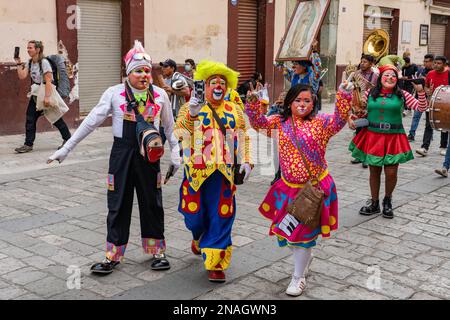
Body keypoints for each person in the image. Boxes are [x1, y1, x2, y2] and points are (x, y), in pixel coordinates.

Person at [47, 41, 181, 274]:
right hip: (122, 154)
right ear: (128, 73)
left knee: (152, 203)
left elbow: (169, 128)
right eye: (138, 70)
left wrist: (176, 155)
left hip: (150, 156)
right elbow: (90, 122)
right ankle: (113, 255)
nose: (143, 75)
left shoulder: (160, 95)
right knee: (117, 204)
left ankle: (157, 250)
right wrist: (66, 148)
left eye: (147, 70)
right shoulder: (114, 94)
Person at [245, 82, 353, 297]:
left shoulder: (321, 123)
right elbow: (258, 123)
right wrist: (253, 102)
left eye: (307, 100)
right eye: (298, 100)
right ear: (289, 102)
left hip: (312, 191)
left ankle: (298, 276)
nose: (302, 104)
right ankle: (303, 260)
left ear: (313, 103)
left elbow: (340, 120)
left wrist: (344, 94)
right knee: (290, 235)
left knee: (302, 237)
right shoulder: (279, 122)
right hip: (288, 189)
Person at [174, 60, 253, 283]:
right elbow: (179, 133)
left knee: (222, 216)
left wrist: (247, 160)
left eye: (222, 82)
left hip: (224, 176)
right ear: (204, 86)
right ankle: (198, 236)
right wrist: (192, 113)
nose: (218, 86)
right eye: (212, 82)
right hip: (196, 175)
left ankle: (216, 262)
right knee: (194, 217)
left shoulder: (235, 109)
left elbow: (244, 135)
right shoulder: (190, 107)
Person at [349, 65, 428, 219]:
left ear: (396, 79)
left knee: (391, 172)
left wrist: (420, 91)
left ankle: (387, 200)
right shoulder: (369, 93)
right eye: (386, 75)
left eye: (393, 75)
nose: (390, 78)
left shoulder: (402, 94)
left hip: (394, 137)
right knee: (374, 171)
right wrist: (353, 118)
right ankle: (374, 203)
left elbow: (421, 108)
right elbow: (360, 111)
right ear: (380, 78)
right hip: (373, 136)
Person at [14, 40, 71, 153]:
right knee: (30, 118)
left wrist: (47, 97)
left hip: (46, 93)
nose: (28, 50)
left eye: (30, 48)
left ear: (38, 50)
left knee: (56, 119)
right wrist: (18, 63)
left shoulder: (44, 63)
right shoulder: (30, 62)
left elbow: (49, 81)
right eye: (28, 47)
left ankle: (68, 140)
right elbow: (22, 76)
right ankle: (28, 144)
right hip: (36, 95)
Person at [348, 54, 378, 168]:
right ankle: (358, 155)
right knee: (358, 131)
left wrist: (371, 86)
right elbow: (349, 85)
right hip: (357, 106)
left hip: (368, 106)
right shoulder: (356, 74)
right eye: (362, 61)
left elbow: (377, 91)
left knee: (367, 131)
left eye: (365, 62)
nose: (362, 64)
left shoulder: (374, 76)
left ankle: (366, 157)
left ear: (371, 64)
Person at [415, 56, 450, 157]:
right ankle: (424, 147)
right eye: (435, 63)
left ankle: (443, 147)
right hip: (431, 102)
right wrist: (427, 90)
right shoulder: (430, 73)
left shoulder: (448, 73)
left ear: (444, 64)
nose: (436, 65)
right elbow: (426, 85)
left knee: (445, 125)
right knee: (428, 124)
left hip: (445, 104)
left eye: (439, 63)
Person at [407, 54, 434, 141]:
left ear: (432, 62)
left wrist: (425, 79)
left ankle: (429, 136)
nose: (425, 63)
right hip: (420, 97)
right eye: (424, 61)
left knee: (429, 120)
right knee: (416, 116)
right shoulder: (421, 70)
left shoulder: (434, 72)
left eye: (427, 61)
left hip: (431, 99)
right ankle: (411, 134)